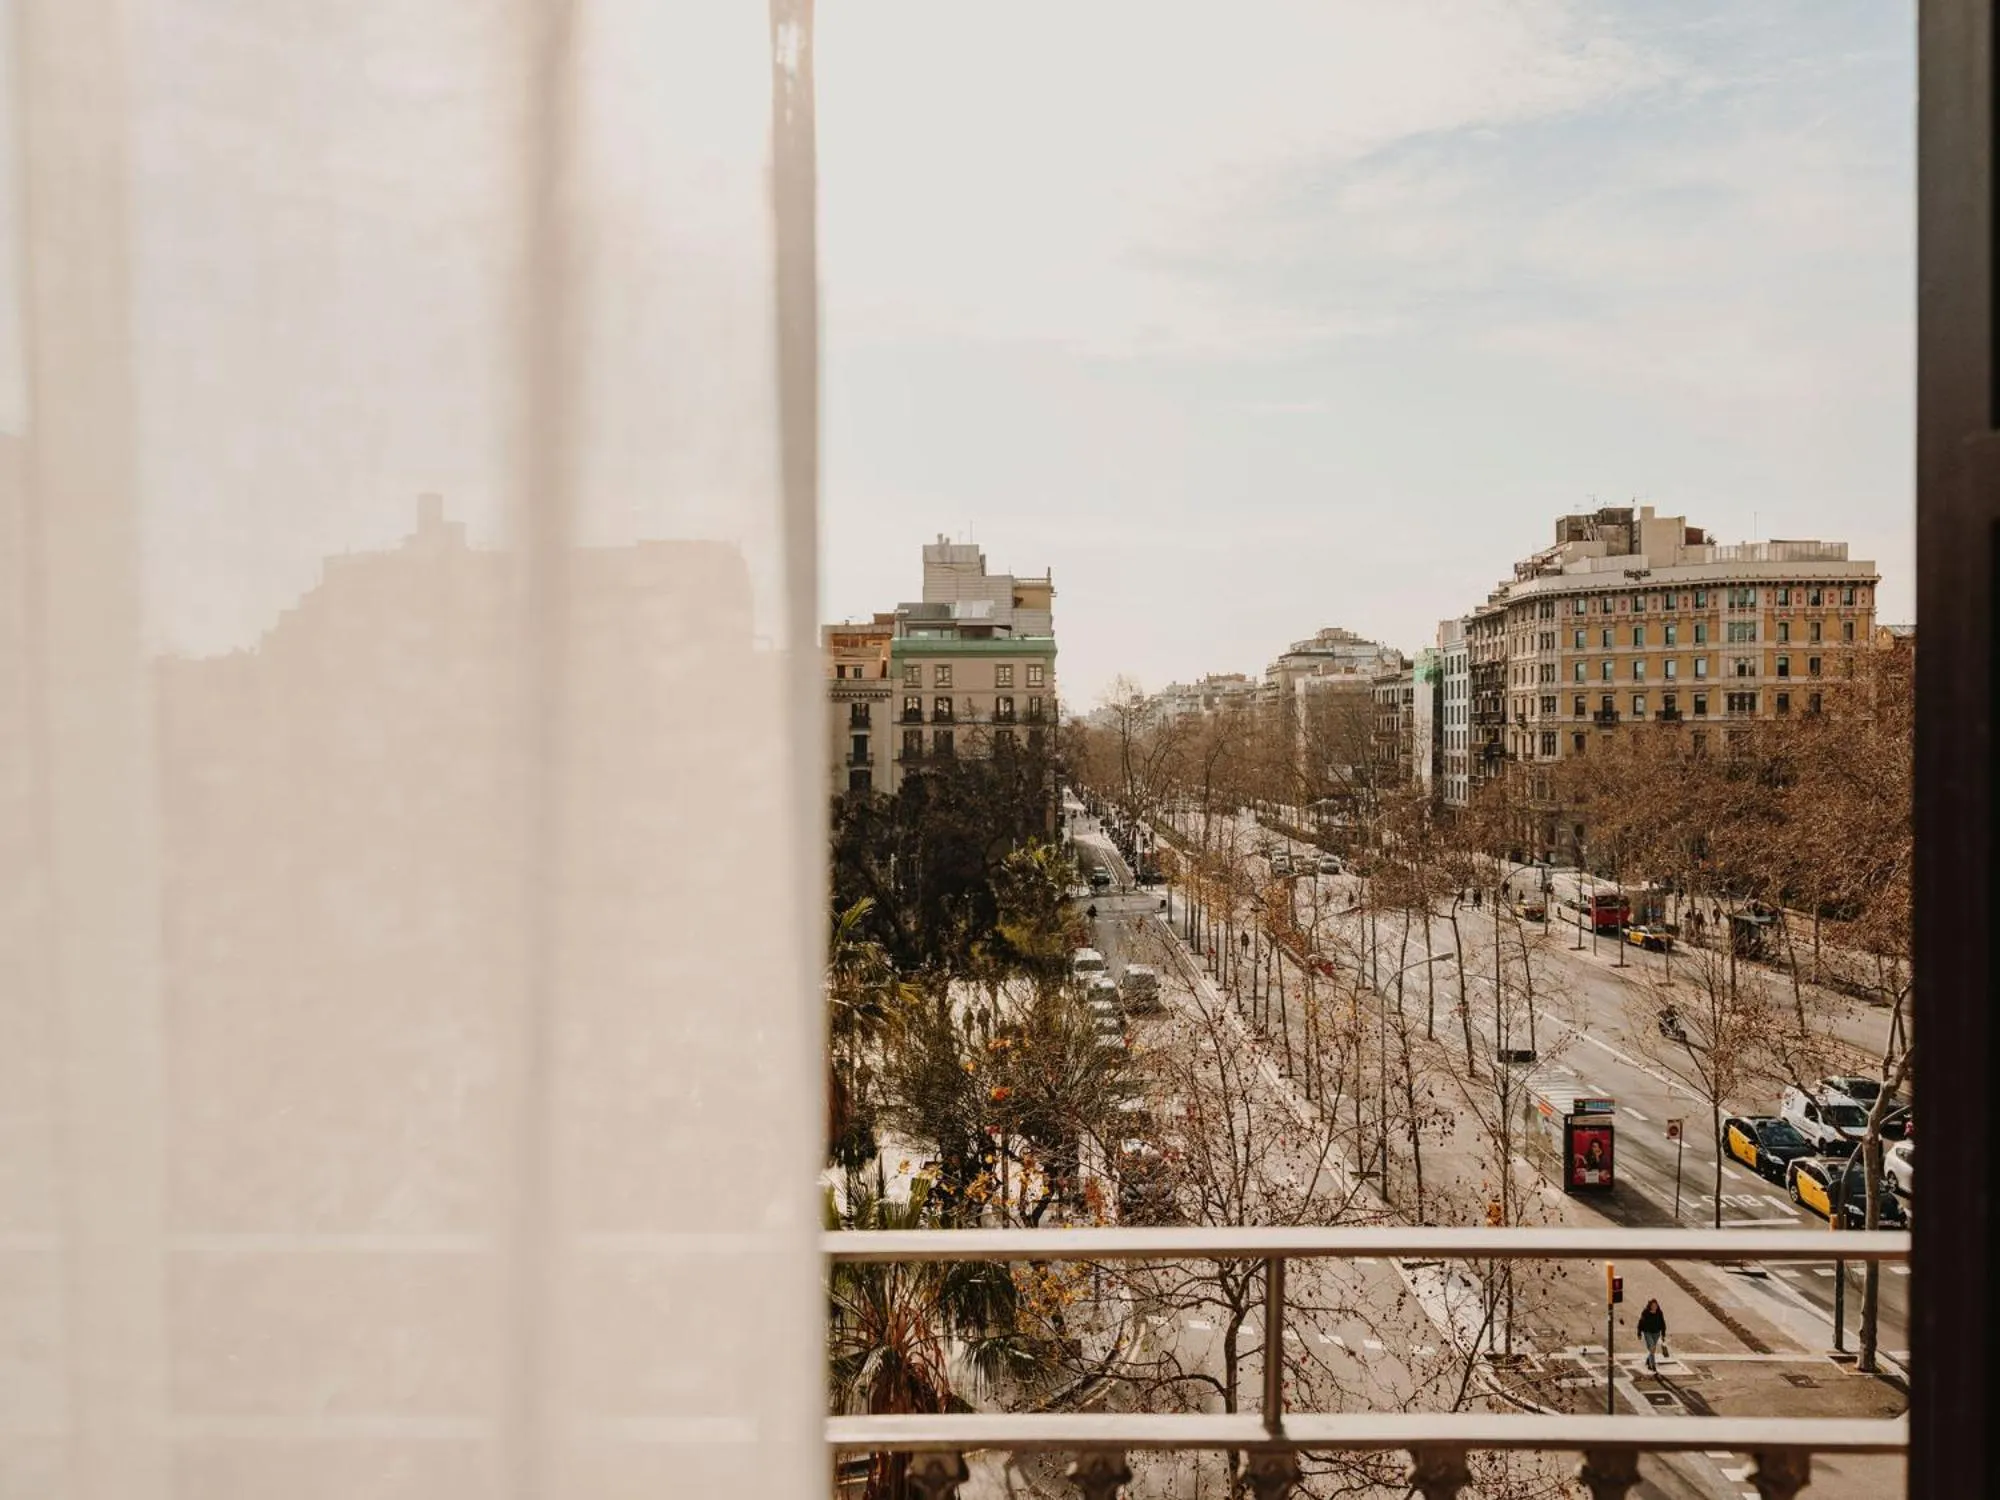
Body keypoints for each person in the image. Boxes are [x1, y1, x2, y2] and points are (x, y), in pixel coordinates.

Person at [1637, 1298, 1668, 1373]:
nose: (1655, 1307)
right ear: (1650, 1306)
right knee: (1652, 1348)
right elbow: (1640, 1322)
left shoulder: (1659, 1313)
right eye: (1653, 1305)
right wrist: (1639, 1333)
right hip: (1648, 1333)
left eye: (1656, 1305)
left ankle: (1649, 1359)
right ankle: (1652, 1365)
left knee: (1652, 1349)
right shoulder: (1645, 1312)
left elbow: (1663, 1323)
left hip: (1656, 1333)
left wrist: (1663, 1334)